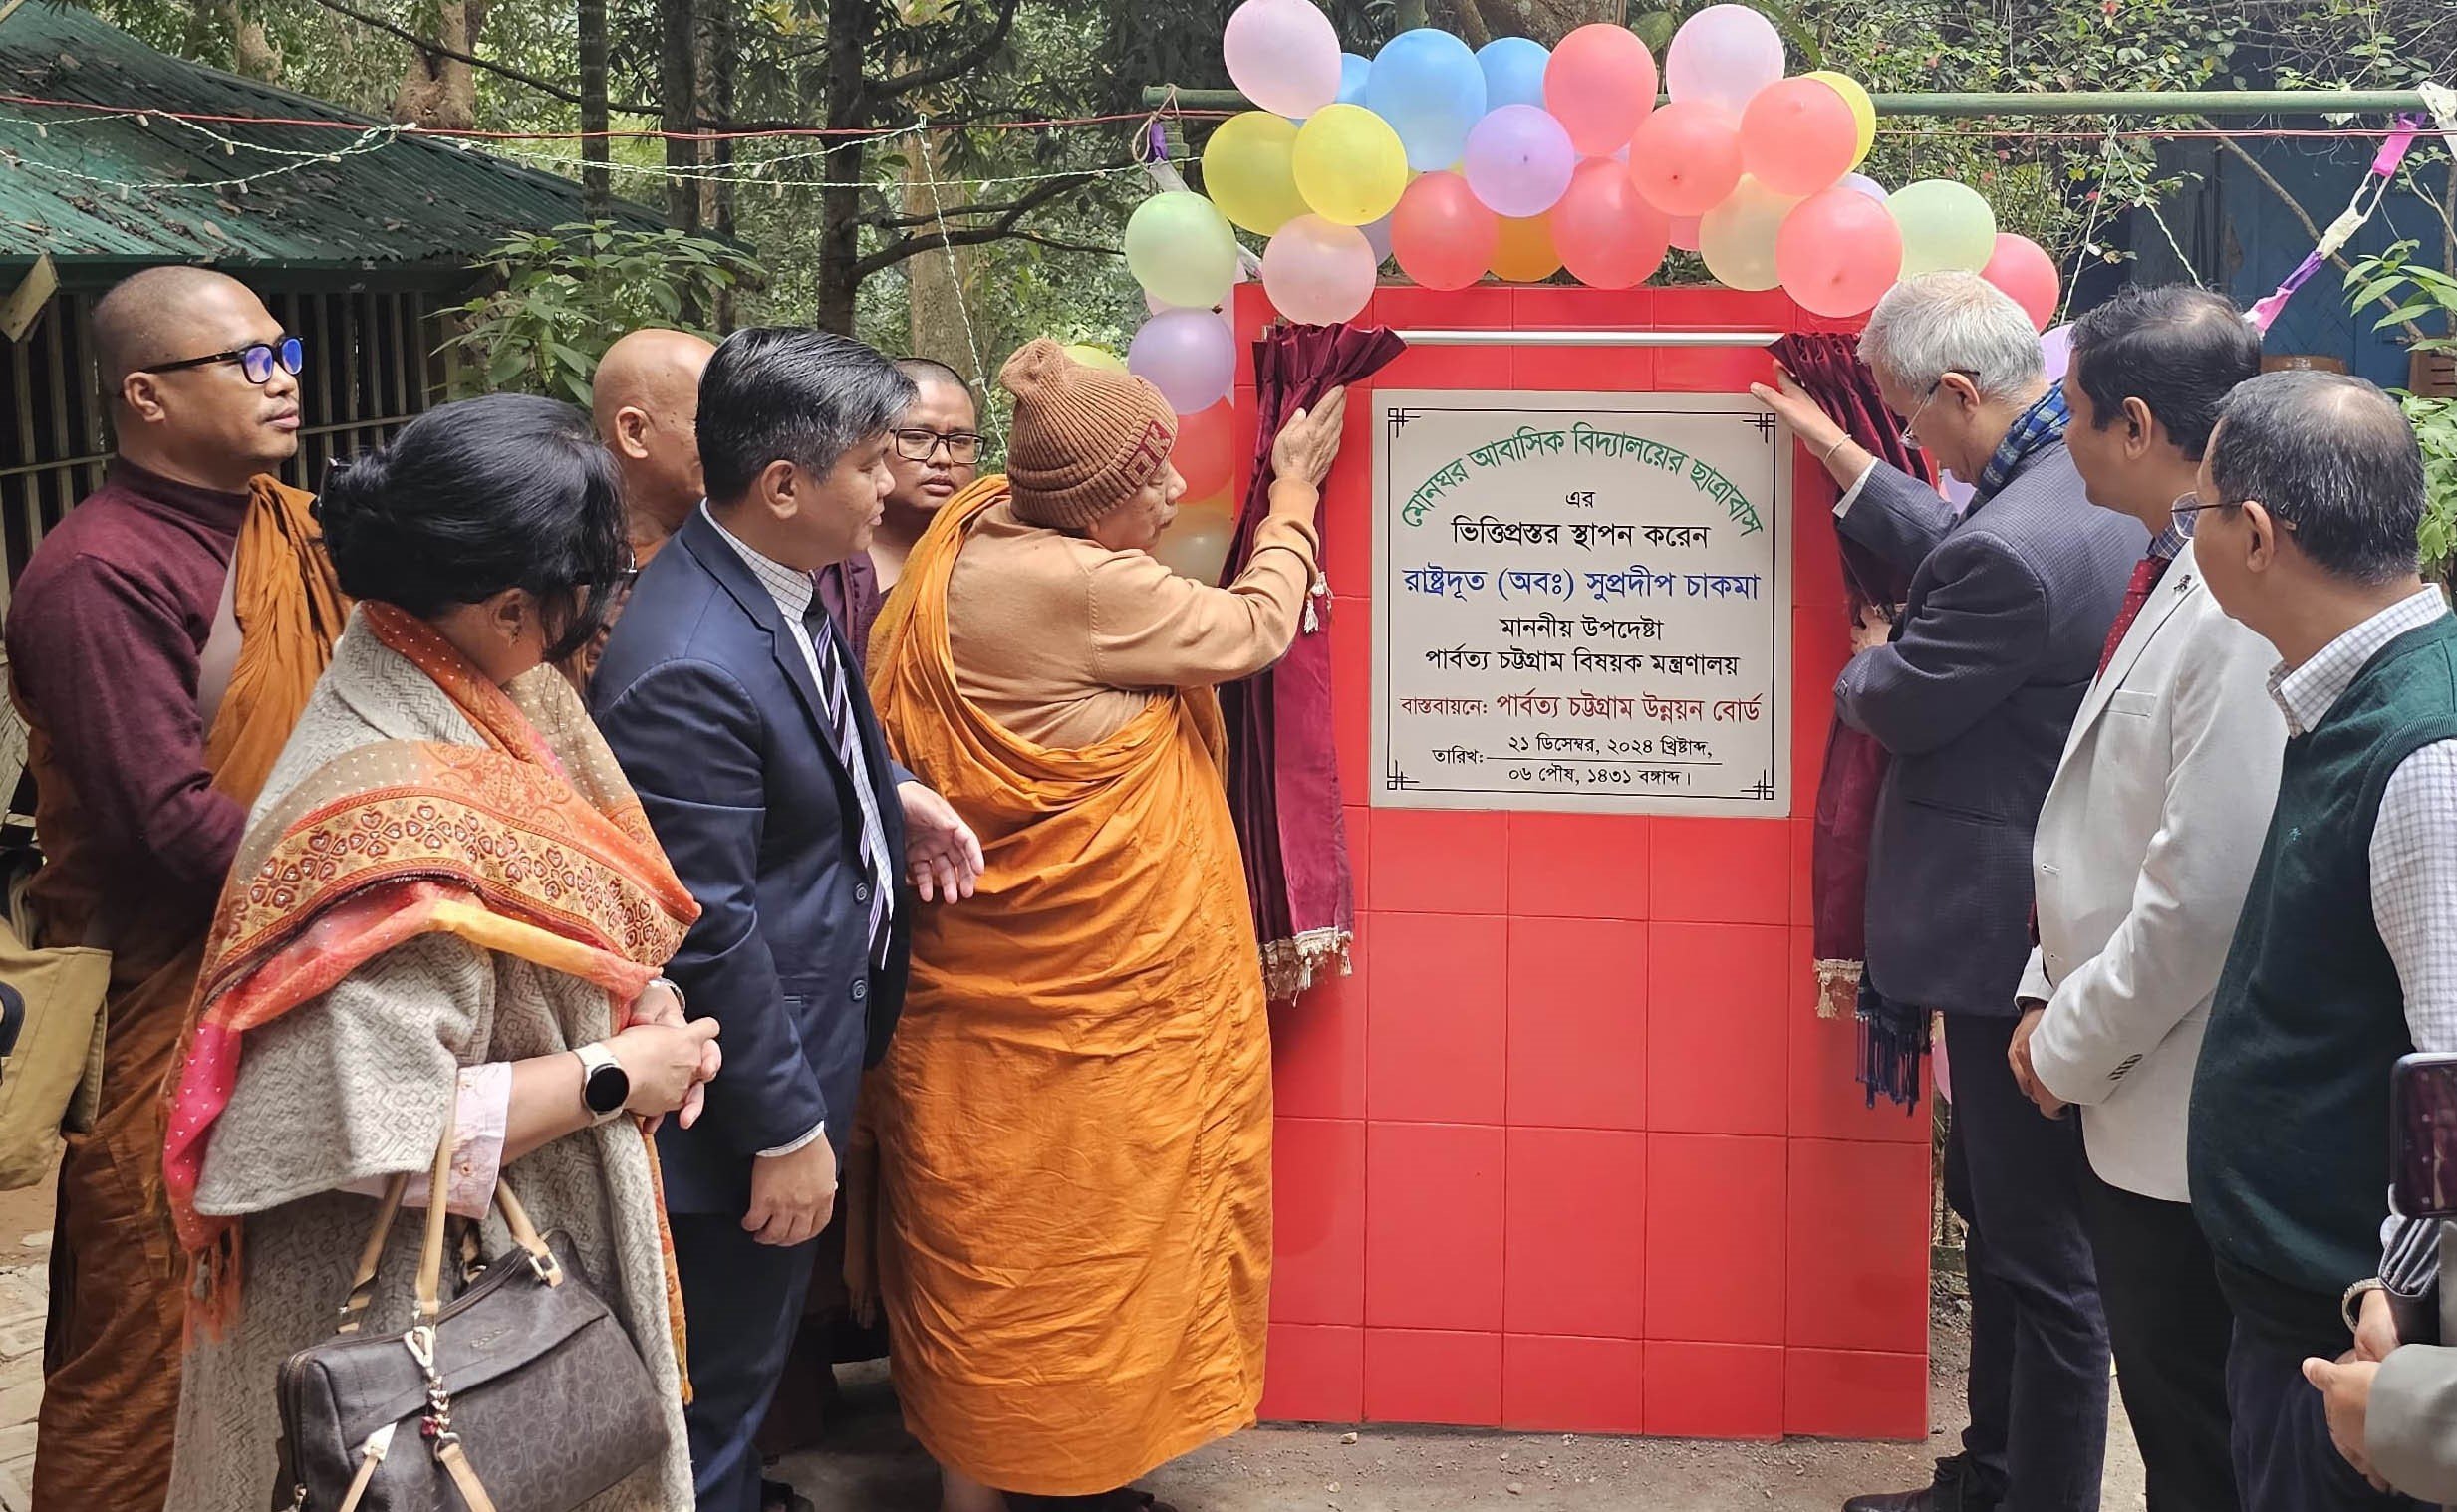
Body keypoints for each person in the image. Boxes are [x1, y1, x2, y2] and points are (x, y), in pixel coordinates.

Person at [158, 394, 717, 1511]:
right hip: (402, 1327)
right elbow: (393, 1141)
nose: (599, 615)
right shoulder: (392, 818)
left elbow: (575, 916)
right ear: (515, 606)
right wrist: (619, 1076)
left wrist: (638, 995)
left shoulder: (460, 671)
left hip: (495, 1256)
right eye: (593, 590)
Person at [863, 339, 1346, 1512]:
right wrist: (1291, 498)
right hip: (1099, 1011)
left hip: (974, 995)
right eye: (1154, 481)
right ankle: (1055, 1469)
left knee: (993, 1249)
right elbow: (1254, 630)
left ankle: (984, 1483)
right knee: (1096, 1244)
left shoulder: (959, 541)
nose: (1177, 496)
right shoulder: (1089, 587)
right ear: (1093, 504)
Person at [1755, 271, 2144, 1512]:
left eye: (1910, 424)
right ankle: (1992, 1475)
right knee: (2004, 1214)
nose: (1913, 445)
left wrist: (1871, 664)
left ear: (1961, 392)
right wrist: (1845, 459)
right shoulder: (2071, 493)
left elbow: (1921, 679)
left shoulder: (2024, 537)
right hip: (2028, 912)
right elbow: (1977, 555)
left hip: (1998, 928)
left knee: (2040, 1252)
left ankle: (2034, 1494)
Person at [592, 327, 983, 1512]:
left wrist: (892, 794)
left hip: (810, 1041)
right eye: (875, 460)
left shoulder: (770, 578)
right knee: (714, 1398)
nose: (892, 483)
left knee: (741, 1387)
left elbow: (824, 718)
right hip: (745, 1104)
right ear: (783, 484)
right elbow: (707, 924)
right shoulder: (688, 661)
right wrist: (785, 1129)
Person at [2, 265, 347, 1512]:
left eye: (284, 350)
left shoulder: (298, 527)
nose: (283, 379)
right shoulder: (98, 571)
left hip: (307, 966)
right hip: (173, 995)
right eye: (245, 361)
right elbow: (170, 826)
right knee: (149, 1335)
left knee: (295, 1318)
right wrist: (384, 866)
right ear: (144, 395)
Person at [1998, 285, 2277, 1512]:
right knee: (2172, 1428)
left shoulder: (2236, 600)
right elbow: (2099, 821)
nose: (2059, 438)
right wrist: (2042, 983)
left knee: (2198, 1440)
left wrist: (2067, 1041)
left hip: (2172, 1103)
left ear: (2140, 425)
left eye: (2071, 412)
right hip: (2122, 1076)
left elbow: (2199, 894)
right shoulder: (2170, 560)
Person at [2187, 370, 2457, 1512]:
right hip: (2299, 1310)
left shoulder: (2422, 753)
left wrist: (2389, 1312)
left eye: (2192, 515)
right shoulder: (2349, 699)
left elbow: (2451, 1080)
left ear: (2254, 535)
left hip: (2356, 1351)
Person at [566, 328, 716, 687]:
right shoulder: (559, 563)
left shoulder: (737, 542)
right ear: (634, 432)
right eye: (710, 421)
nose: (738, 442)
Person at [812, 357, 982, 656]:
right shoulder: (819, 558)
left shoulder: (992, 553)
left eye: (961, 440)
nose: (943, 457)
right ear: (871, 444)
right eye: (917, 437)